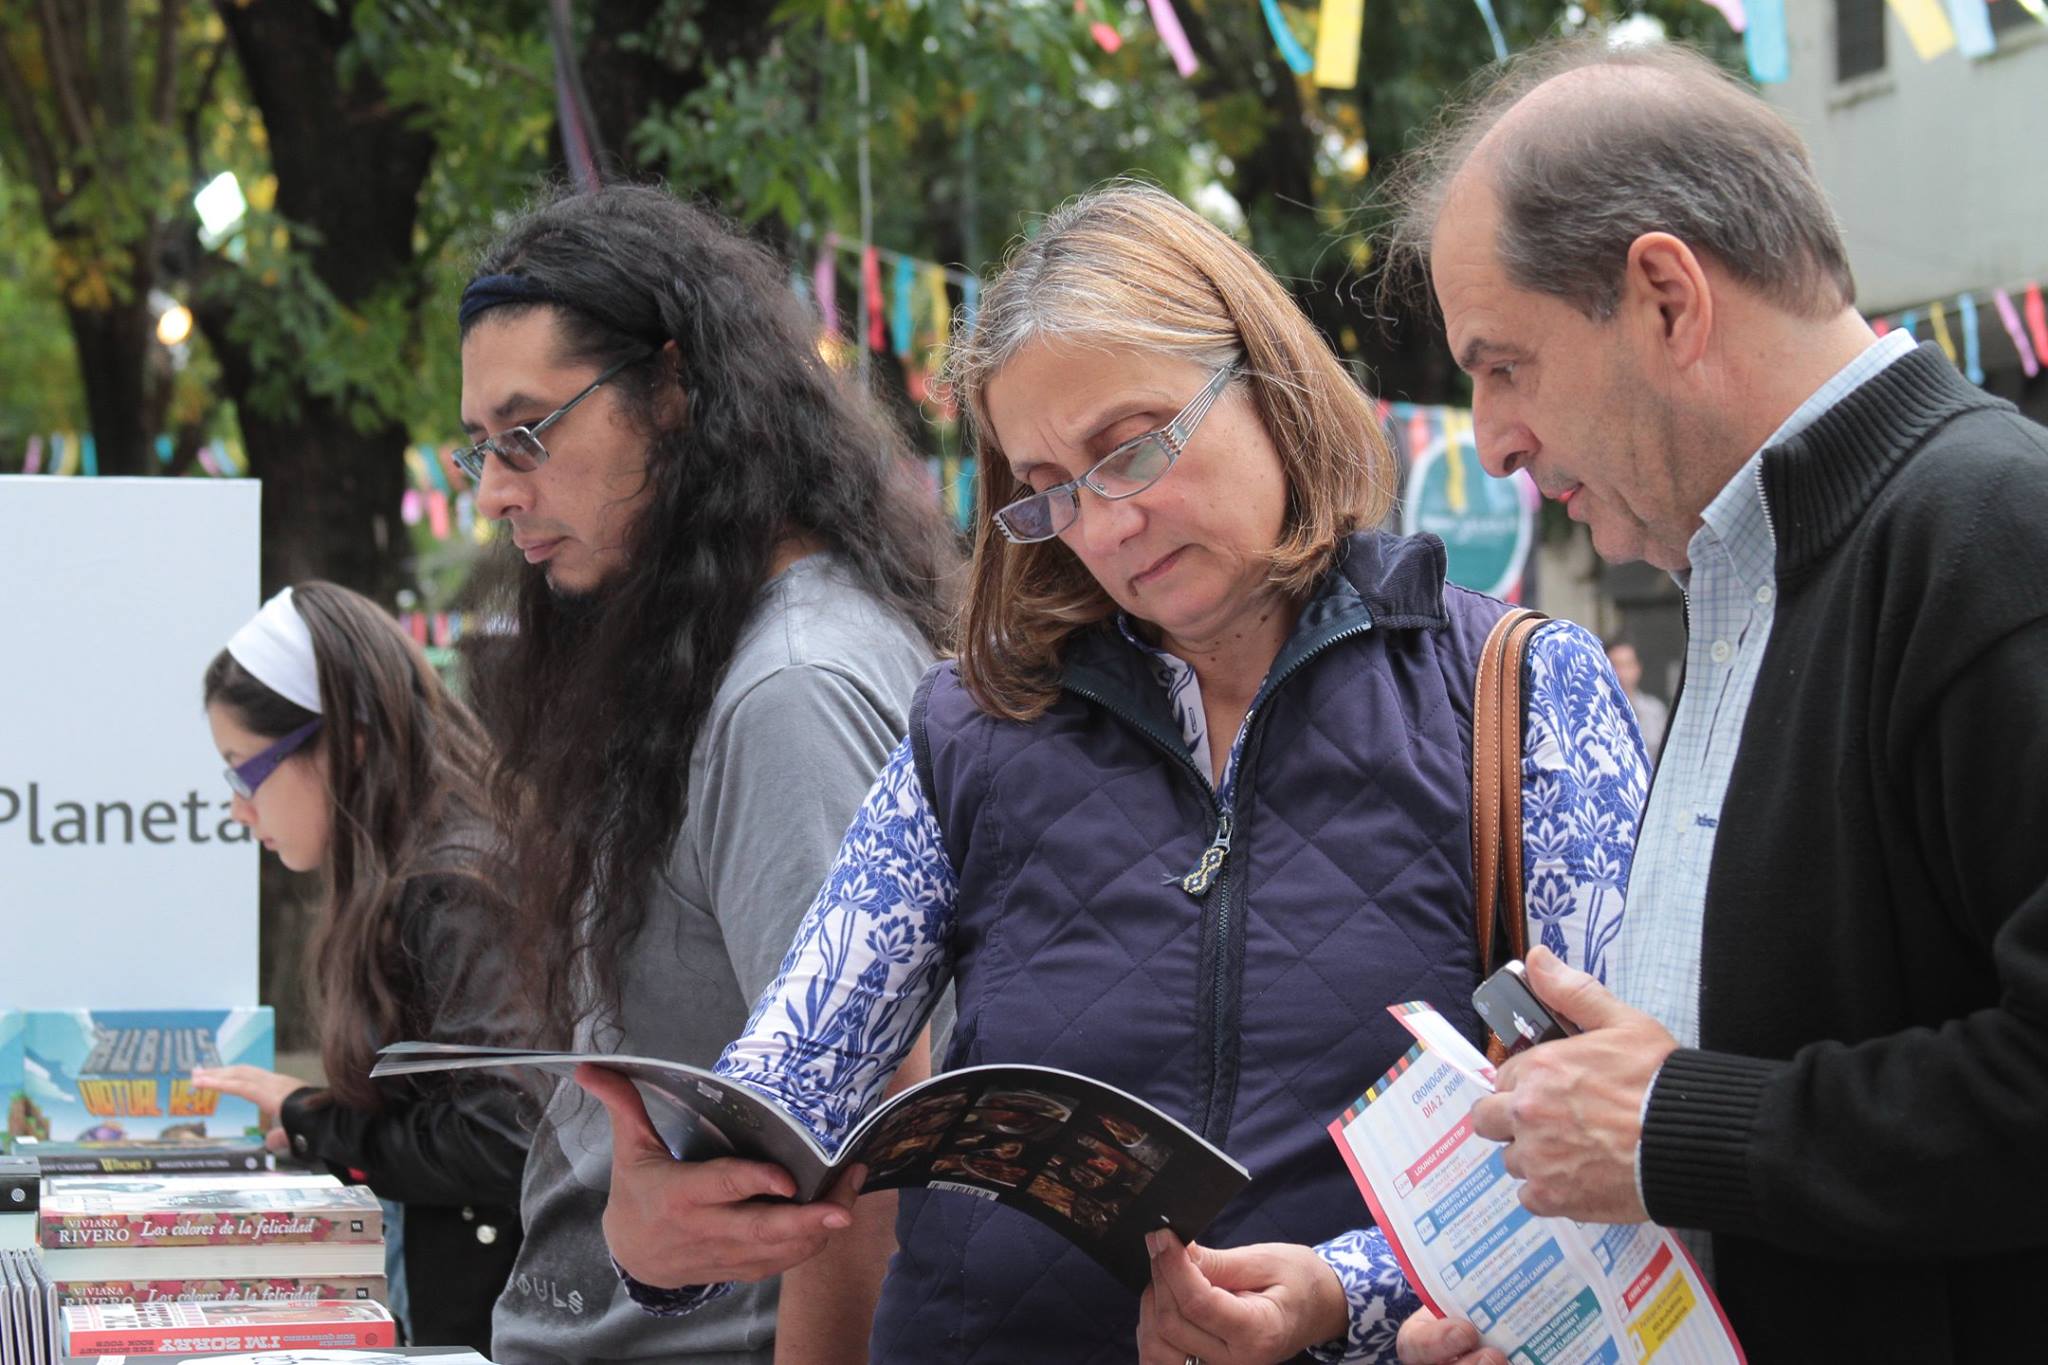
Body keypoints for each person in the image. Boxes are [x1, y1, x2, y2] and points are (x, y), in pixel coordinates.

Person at [580, 182, 1650, 1364]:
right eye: (1046, 488)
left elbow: (1608, 1145)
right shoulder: (971, 727)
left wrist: (1339, 1297)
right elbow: (796, 1063)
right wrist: (664, 1226)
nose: (1105, 523)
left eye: (1131, 447)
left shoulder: (1518, 691)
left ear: (1267, 382)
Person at [1383, 36, 2048, 1365]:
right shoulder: (1752, 572)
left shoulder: (1989, 536)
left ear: (1668, 300)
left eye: (1503, 362)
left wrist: (1678, 1121)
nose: (1493, 437)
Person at [454, 184, 957, 1365]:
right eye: (478, 447)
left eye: (528, 434)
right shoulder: (725, 646)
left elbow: (867, 1159)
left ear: (674, 395)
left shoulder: (786, 692)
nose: (495, 491)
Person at [192, 582, 532, 1354]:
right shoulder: (426, 871)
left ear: (344, 740)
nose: (239, 809)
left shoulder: (453, 888)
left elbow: (499, 1139)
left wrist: (317, 1119)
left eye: (245, 769)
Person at [1601, 636, 1665, 764]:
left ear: (1638, 668)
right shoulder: (1597, 712)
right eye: (1616, 666)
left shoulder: (1655, 710)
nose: (1622, 673)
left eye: (1627, 665)